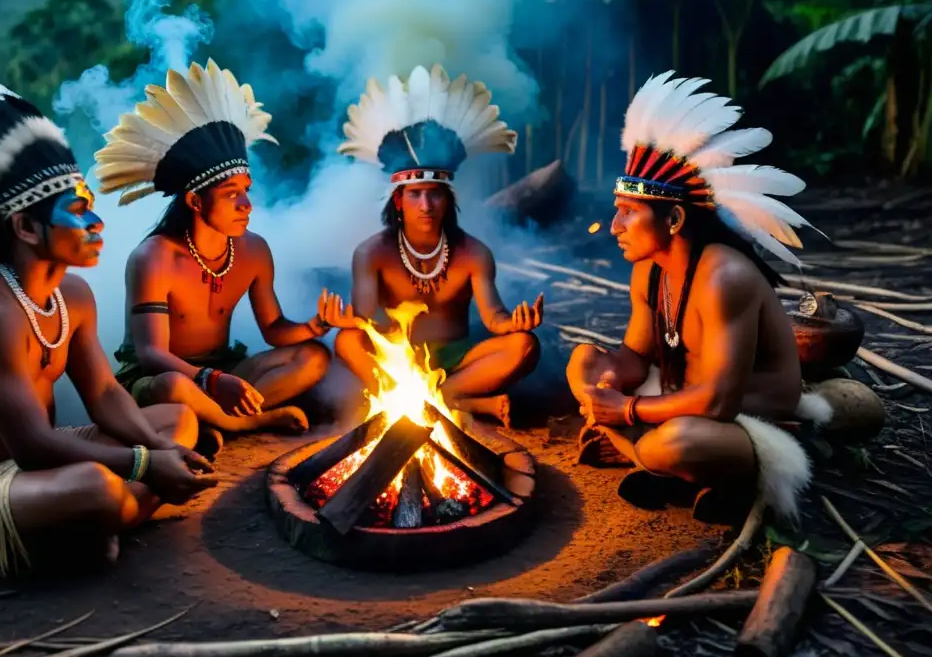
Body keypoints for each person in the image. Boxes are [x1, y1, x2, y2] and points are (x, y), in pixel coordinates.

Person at [0, 68, 216, 586]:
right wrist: (144, 469)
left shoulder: (71, 294)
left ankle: (97, 530)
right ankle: (101, 521)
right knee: (96, 487)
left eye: (92, 208)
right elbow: (30, 444)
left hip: (38, 465)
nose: (97, 224)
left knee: (178, 422)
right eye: (78, 212)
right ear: (26, 227)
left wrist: (155, 451)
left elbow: (103, 394)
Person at [565, 71, 847, 525]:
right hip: (680, 398)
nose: (614, 226)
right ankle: (674, 469)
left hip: (744, 417)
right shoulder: (649, 271)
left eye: (628, 213)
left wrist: (626, 409)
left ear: (674, 218)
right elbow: (637, 356)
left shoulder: (724, 277)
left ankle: (667, 461)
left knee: (672, 444)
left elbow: (718, 402)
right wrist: (610, 381)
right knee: (582, 362)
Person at [94, 60, 351, 445]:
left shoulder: (254, 250)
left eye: (247, 189)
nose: (246, 204)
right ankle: (243, 422)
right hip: (164, 380)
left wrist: (315, 327)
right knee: (172, 389)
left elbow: (274, 329)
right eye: (232, 194)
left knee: (312, 357)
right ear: (196, 201)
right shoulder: (154, 257)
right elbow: (150, 354)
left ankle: (216, 422)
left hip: (223, 372)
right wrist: (211, 380)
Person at [333, 64, 543, 427]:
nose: (426, 206)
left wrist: (513, 323)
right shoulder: (371, 253)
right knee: (347, 340)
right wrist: (349, 318)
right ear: (398, 201)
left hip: (460, 361)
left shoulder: (474, 253)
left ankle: (428, 400)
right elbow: (367, 319)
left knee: (524, 346)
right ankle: (469, 404)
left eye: (434, 195)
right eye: (415, 195)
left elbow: (493, 317)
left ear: (448, 199)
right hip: (393, 359)